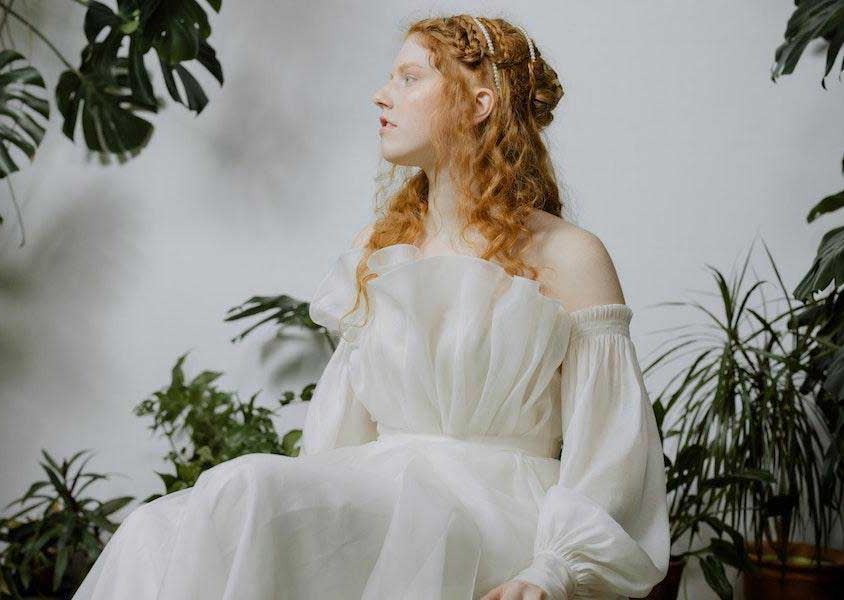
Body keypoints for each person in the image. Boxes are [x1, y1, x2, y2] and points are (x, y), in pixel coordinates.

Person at [72, 14, 670, 600]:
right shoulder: (378, 249)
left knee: (246, 486)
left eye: (410, 78)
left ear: (479, 102)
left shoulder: (570, 256)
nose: (382, 95)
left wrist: (555, 568)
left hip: (496, 513)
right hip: (382, 495)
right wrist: (308, 513)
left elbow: (610, 451)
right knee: (152, 532)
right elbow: (338, 442)